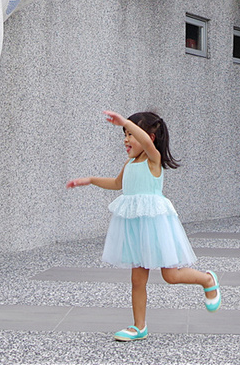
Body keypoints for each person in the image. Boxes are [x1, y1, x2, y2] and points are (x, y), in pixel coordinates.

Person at [66, 110, 220, 341]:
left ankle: (207, 279)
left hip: (156, 227)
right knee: (137, 281)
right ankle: (139, 327)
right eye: (124, 134)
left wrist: (125, 121)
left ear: (150, 137)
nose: (126, 139)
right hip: (136, 228)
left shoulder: (153, 159)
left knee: (171, 275)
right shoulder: (129, 163)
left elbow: (146, 141)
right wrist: (89, 181)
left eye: (130, 134)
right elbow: (117, 184)